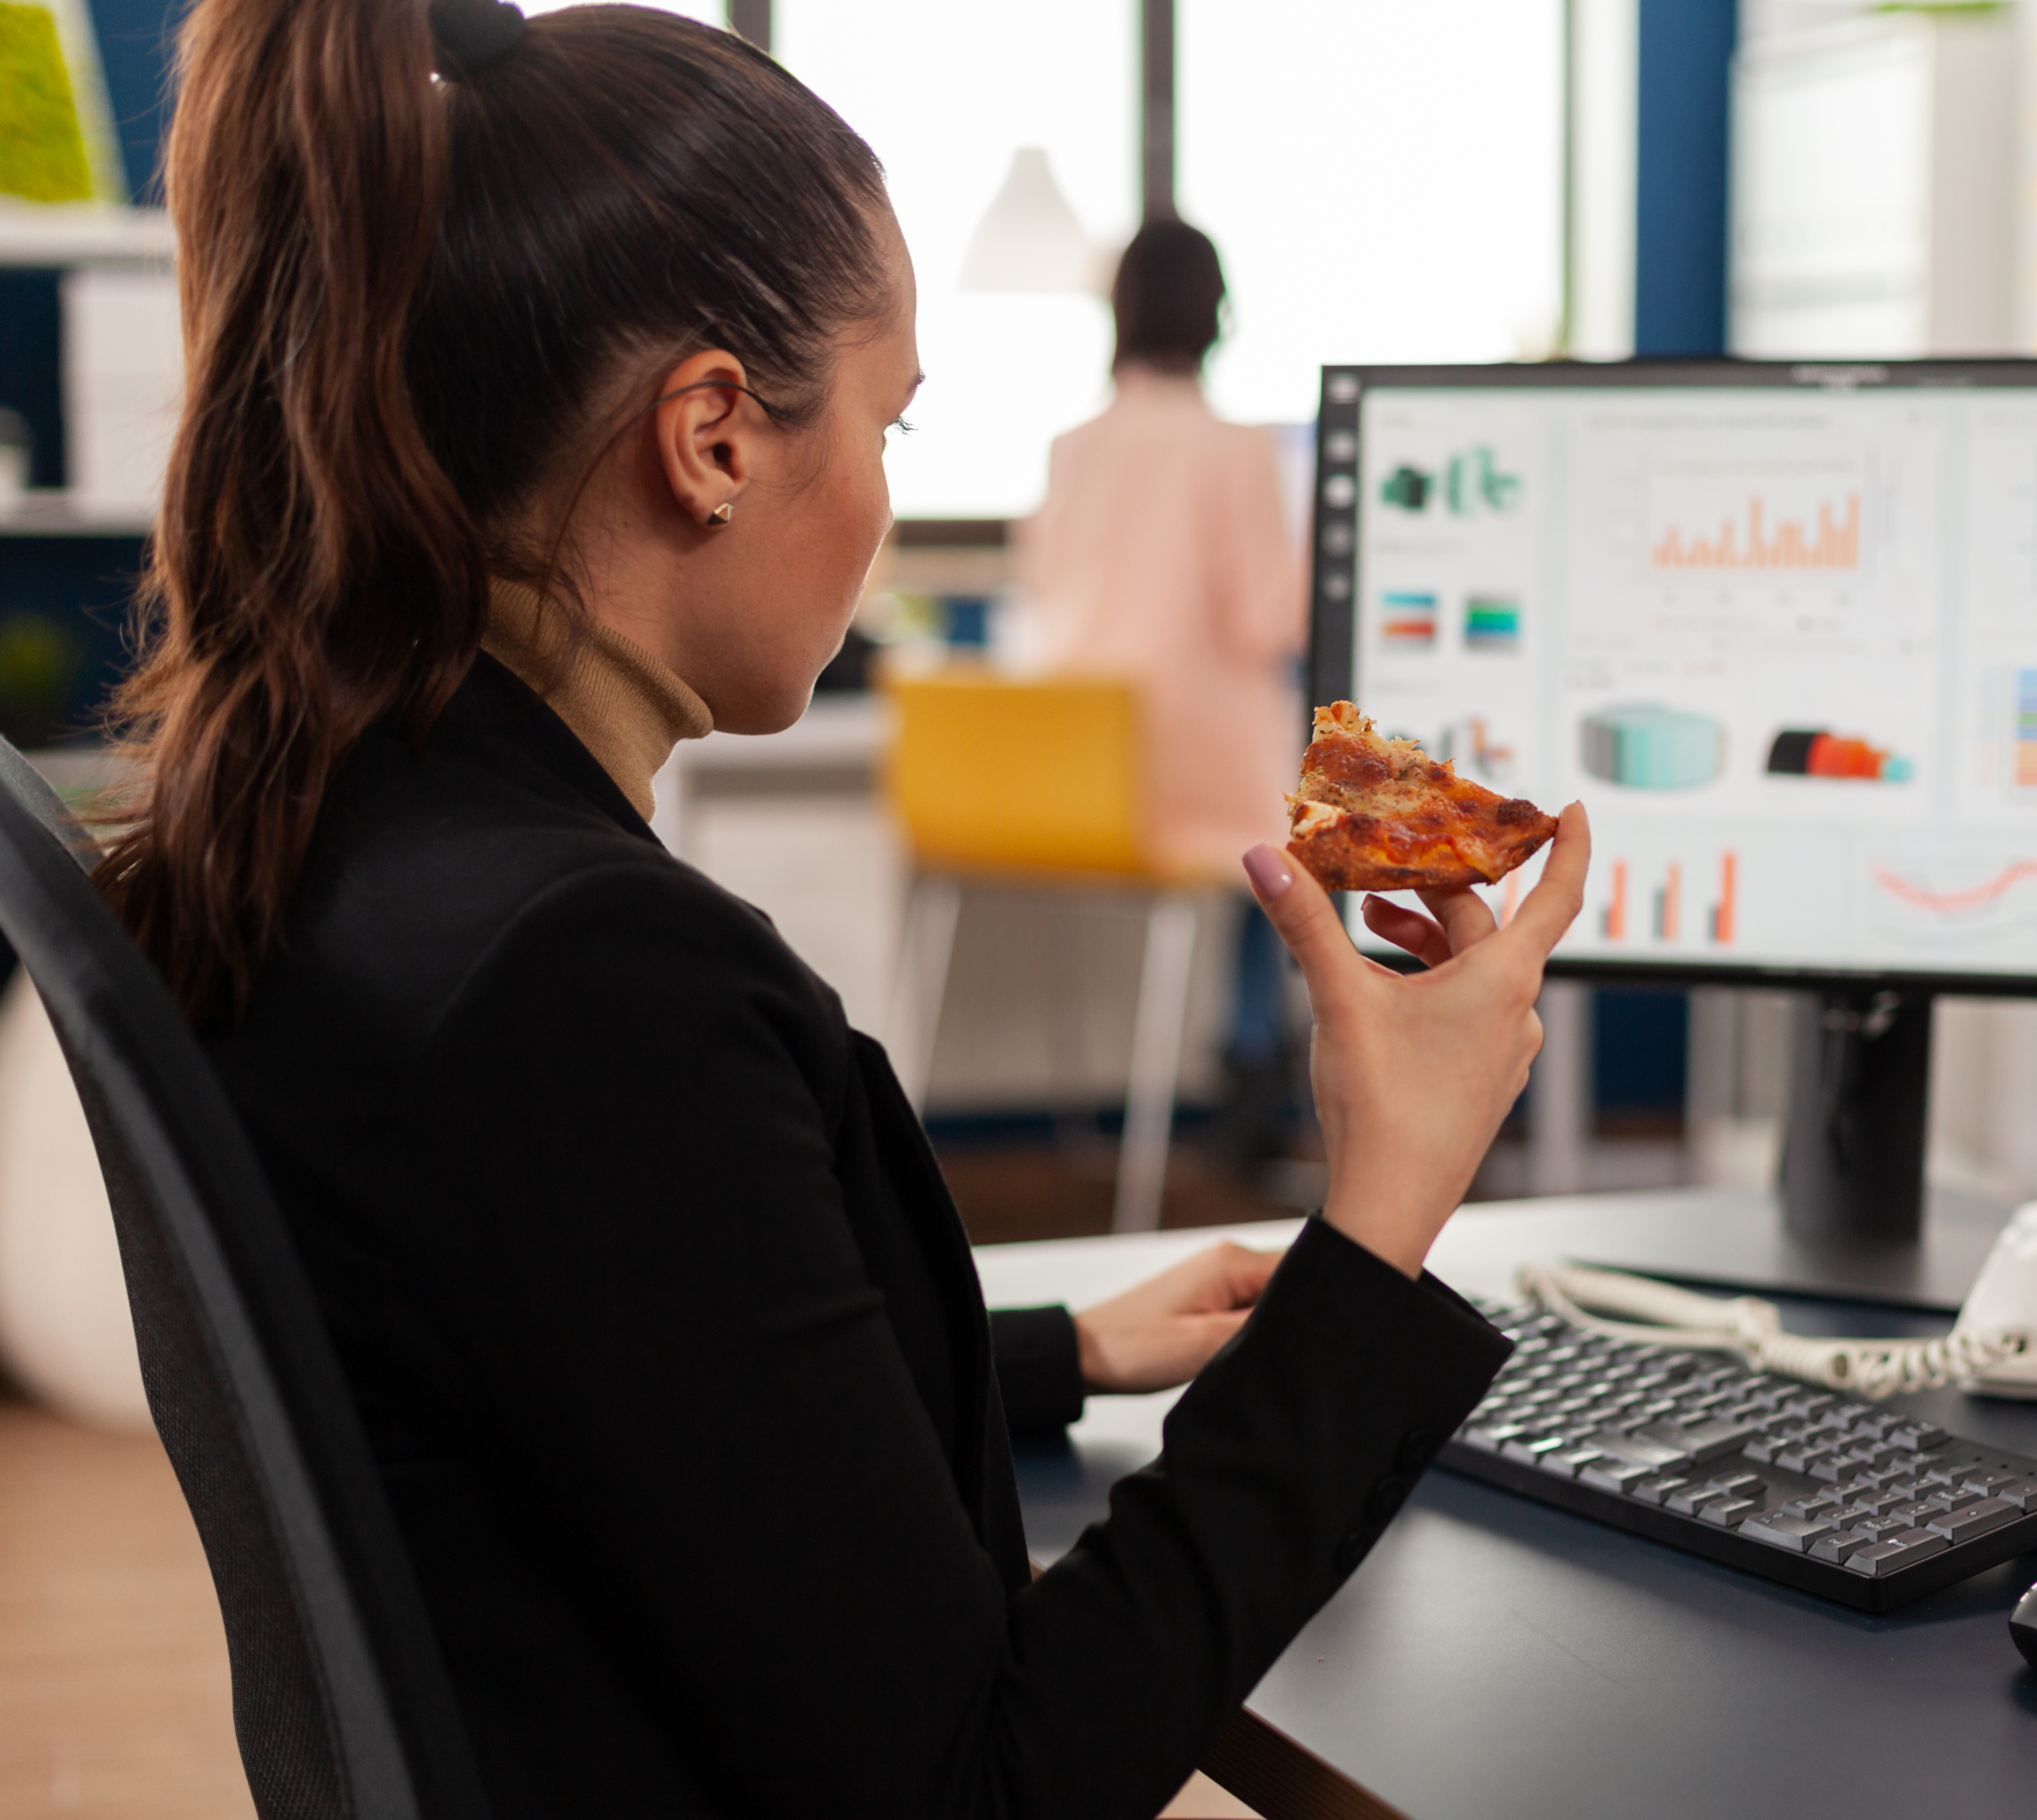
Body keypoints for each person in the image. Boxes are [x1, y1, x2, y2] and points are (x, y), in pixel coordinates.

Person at [95, 3, 1588, 1817]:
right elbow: (988, 1785)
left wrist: (1051, 1353)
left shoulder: (336, 828)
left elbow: (617, 1373)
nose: (883, 491)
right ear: (714, 435)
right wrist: (1380, 1220)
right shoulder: (587, 988)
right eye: (891, 419)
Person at [1016, 218, 1302, 875]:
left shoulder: (1069, 450)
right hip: (1205, 787)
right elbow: (1266, 625)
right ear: (1216, 313)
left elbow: (1046, 592)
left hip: (1088, 778)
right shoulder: (1235, 447)